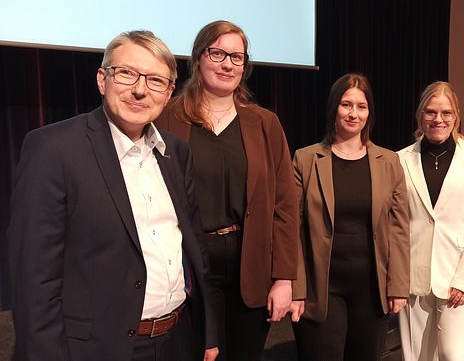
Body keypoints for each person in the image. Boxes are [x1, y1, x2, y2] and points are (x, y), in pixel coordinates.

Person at [8, 31, 218, 361]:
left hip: (178, 340)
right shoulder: (53, 149)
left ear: (167, 94)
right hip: (97, 348)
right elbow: (34, 278)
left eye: (155, 80)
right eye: (127, 73)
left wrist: (207, 332)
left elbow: (193, 249)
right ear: (102, 79)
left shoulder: (175, 153)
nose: (139, 89)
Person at [155, 21, 299, 360]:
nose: (227, 64)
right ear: (198, 58)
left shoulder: (264, 123)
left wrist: (284, 279)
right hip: (190, 263)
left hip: (249, 264)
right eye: (217, 53)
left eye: (237, 56)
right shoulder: (167, 118)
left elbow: (285, 207)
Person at [290, 73, 409, 361]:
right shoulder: (306, 159)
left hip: (371, 289)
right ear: (334, 108)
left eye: (361, 106)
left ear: (369, 113)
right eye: (346, 105)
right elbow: (292, 230)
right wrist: (295, 288)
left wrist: (398, 285)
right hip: (322, 287)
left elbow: (399, 229)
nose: (353, 113)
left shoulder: (389, 161)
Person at [398, 81, 464, 361]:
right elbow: (397, 223)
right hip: (413, 276)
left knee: (453, 355)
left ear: (456, 116)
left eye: (446, 113)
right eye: (430, 112)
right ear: (420, 115)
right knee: (415, 357)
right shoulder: (401, 160)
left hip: (460, 277)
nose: (438, 119)